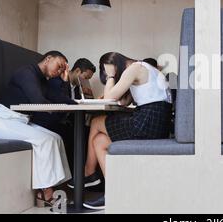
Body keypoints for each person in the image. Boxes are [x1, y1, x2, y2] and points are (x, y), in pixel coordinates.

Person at [73, 52, 172, 210]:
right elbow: (123, 102)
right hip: (155, 124)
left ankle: (88, 173)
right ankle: (112, 192)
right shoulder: (144, 69)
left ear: (113, 65)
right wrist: (119, 92)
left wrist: (111, 77)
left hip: (146, 123)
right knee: (99, 141)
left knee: (96, 122)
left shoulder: (134, 68)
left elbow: (110, 97)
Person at [0, 51, 72, 207]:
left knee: (56, 138)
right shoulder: (26, 73)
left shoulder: (43, 81)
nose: (59, 71)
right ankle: (46, 192)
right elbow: (37, 101)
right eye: (59, 66)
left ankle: (56, 186)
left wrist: (65, 81)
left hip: (19, 121)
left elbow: (62, 99)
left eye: (62, 70)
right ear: (48, 59)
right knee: (45, 140)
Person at [46, 58, 96, 174]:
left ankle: (85, 175)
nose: (86, 81)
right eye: (86, 77)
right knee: (80, 135)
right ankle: (77, 176)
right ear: (77, 71)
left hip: (68, 123)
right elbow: (63, 101)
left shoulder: (78, 89)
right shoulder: (58, 82)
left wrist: (91, 95)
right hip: (54, 122)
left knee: (89, 133)